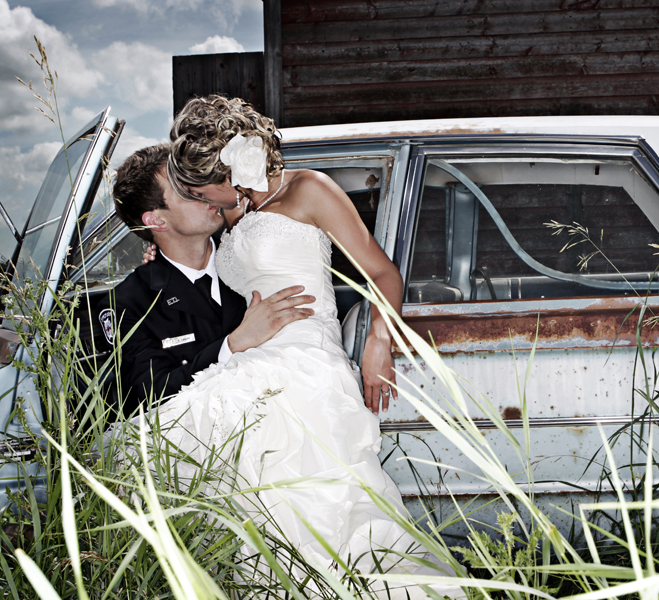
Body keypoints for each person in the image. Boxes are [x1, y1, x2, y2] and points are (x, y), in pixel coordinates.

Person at [155, 96, 460, 597]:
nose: (198, 199)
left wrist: (378, 343)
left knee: (310, 505)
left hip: (308, 361)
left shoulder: (309, 189)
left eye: (199, 188)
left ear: (230, 172)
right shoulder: (237, 211)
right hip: (254, 358)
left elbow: (382, 272)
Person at [107, 144, 316, 416]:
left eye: (201, 178)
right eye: (186, 190)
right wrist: (232, 344)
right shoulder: (130, 301)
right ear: (156, 220)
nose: (204, 190)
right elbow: (151, 393)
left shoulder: (257, 254)